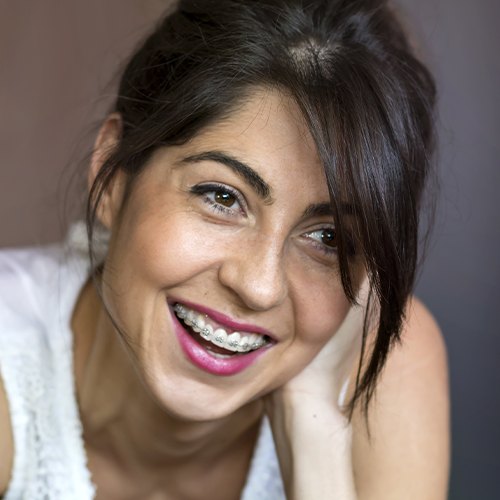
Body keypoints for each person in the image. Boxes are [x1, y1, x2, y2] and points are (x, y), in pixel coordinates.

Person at [0, 0, 450, 498]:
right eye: (222, 197)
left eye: (329, 239)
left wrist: (314, 433)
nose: (259, 287)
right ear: (113, 178)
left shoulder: (385, 368)